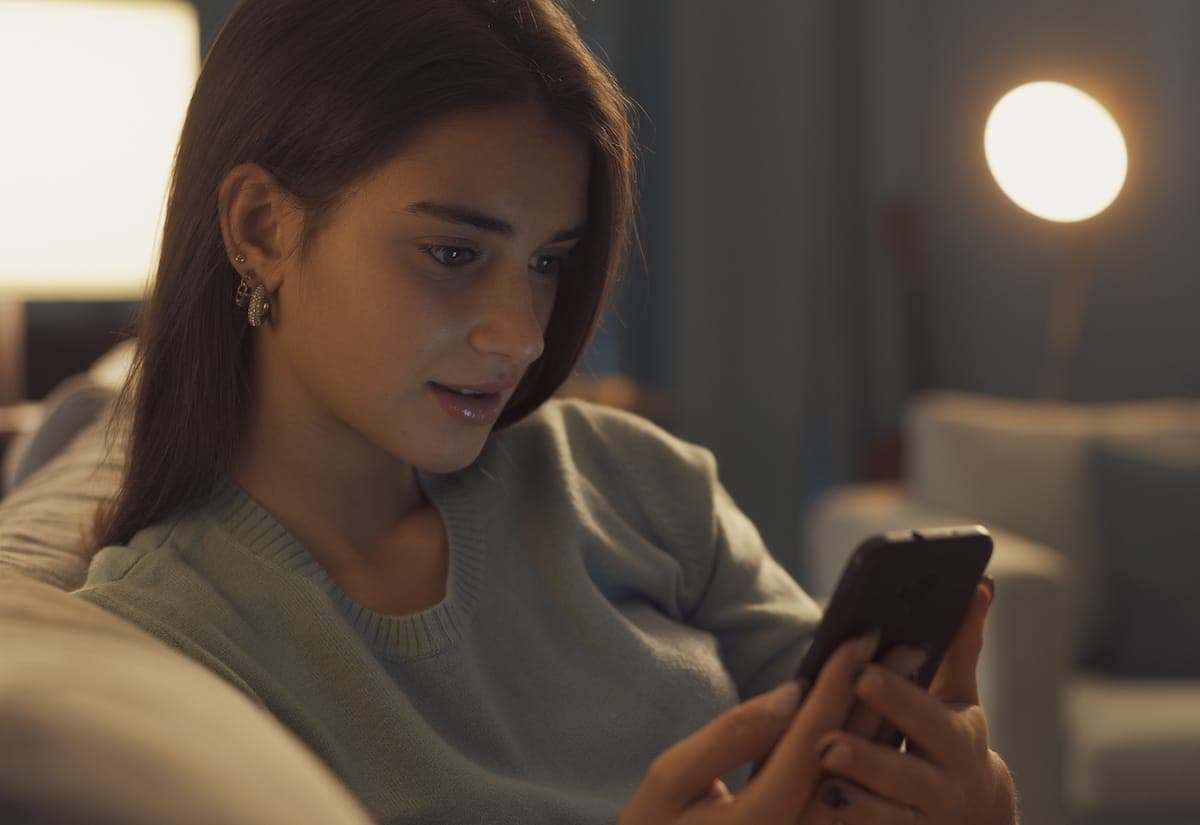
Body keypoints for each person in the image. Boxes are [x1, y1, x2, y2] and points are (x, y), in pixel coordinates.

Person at [73, 0, 1017, 822]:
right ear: (261, 228)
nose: (523, 335)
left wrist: (975, 801)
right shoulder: (163, 646)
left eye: (547, 261)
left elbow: (850, 761)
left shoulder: (636, 483)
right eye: (453, 253)